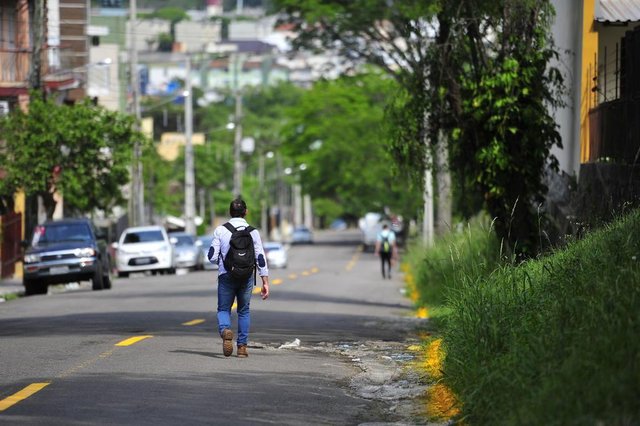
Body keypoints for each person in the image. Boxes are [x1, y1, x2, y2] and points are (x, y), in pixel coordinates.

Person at [207, 198, 270, 358]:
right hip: (247, 276)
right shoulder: (253, 231)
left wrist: (223, 264)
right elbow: (260, 257)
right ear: (246, 212)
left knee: (223, 309)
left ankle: (225, 330)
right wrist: (265, 280)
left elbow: (212, 256)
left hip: (226, 275)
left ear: (229, 212)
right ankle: (242, 347)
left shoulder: (221, 230)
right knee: (243, 310)